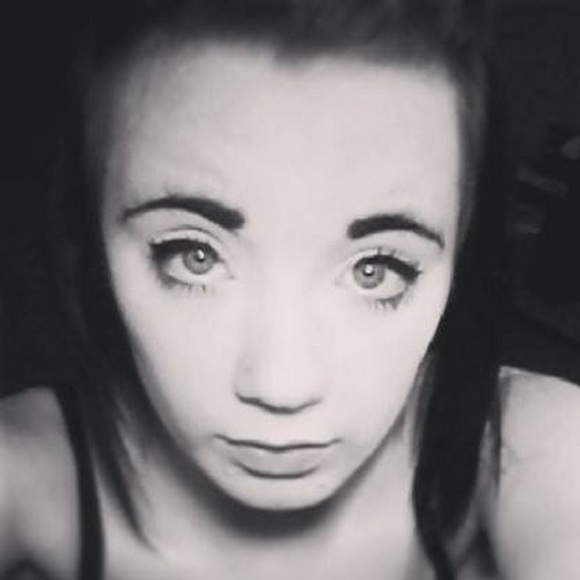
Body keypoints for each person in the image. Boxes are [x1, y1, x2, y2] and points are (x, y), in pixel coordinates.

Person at [2, 1, 580, 579]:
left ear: (461, 253)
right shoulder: (21, 474)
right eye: (195, 257)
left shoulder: (534, 444)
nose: (282, 387)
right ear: (91, 242)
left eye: (376, 269)